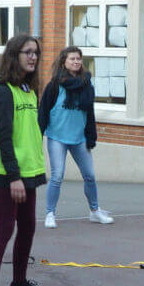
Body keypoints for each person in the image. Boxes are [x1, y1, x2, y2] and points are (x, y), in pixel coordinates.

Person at [0, 34, 48, 286]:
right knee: (5, 229)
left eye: (35, 53)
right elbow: (3, 139)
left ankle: (18, 281)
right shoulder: (2, 91)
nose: (33, 57)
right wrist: (14, 177)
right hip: (7, 172)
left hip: (28, 169)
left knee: (28, 226)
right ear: (13, 55)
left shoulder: (27, 89)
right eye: (27, 52)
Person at [38, 46, 113, 227]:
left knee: (90, 175)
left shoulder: (87, 85)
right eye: (72, 59)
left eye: (78, 59)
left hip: (79, 138)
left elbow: (90, 113)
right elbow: (43, 112)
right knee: (57, 176)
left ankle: (95, 211)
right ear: (64, 61)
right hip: (57, 137)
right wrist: (37, 135)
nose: (76, 62)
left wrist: (91, 136)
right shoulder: (55, 85)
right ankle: (50, 214)